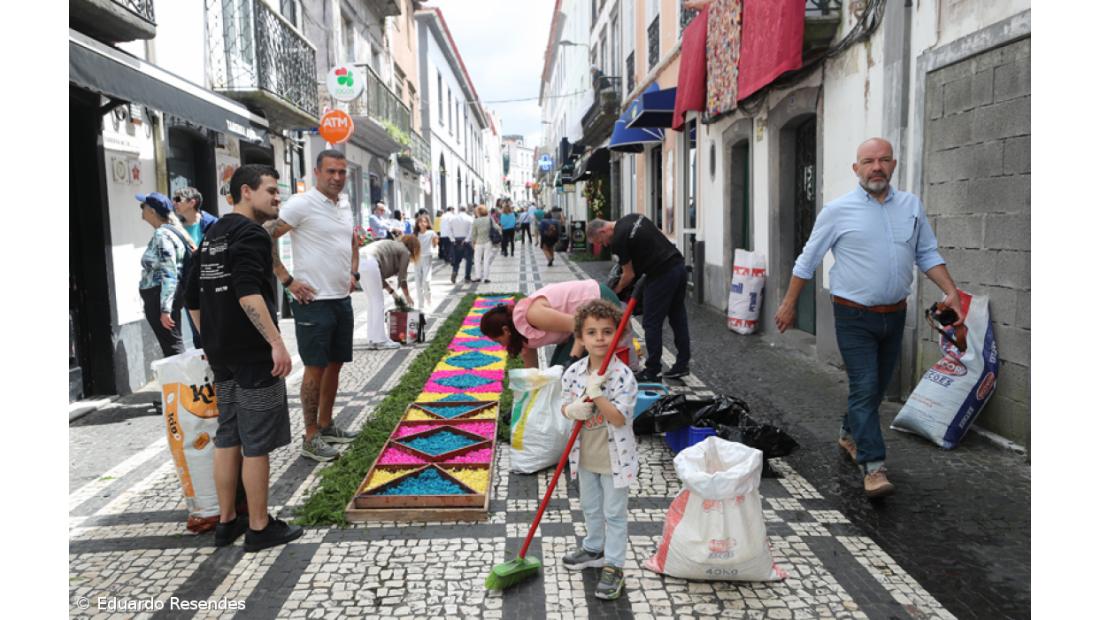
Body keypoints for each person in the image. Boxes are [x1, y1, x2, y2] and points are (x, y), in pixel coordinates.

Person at [774, 137, 963, 499]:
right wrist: (789, 303)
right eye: (868, 161)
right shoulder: (837, 210)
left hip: (895, 316)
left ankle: (849, 434)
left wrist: (950, 290)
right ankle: (874, 467)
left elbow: (926, 253)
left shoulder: (911, 206)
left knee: (874, 389)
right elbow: (808, 259)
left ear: (893, 165)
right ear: (856, 168)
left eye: (883, 160)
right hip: (853, 316)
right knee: (865, 386)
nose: (876, 167)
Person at [184, 163, 303, 552]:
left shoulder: (212, 233)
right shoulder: (251, 234)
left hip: (221, 354)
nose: (276, 197)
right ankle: (258, 525)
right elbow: (248, 291)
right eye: (270, 190)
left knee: (229, 434)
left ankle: (226, 522)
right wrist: (276, 342)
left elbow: (190, 297)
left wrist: (210, 337)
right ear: (246, 192)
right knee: (256, 443)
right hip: (253, 356)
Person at [270, 149, 360, 463]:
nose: (337, 178)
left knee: (335, 364)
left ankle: (326, 424)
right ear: (317, 172)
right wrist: (287, 280)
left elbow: (351, 238)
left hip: (340, 299)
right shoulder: (301, 204)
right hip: (313, 302)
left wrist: (353, 271)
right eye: (331, 172)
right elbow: (263, 237)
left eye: (342, 172)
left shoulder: (344, 204)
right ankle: (310, 437)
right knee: (315, 368)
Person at [559, 299, 638, 601]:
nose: (600, 338)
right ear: (580, 338)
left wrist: (597, 394)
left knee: (614, 513)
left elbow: (618, 418)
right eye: (592, 332)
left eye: (607, 331)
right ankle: (593, 547)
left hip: (615, 459)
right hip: (585, 456)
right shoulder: (573, 372)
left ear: (618, 334)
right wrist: (571, 410)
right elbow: (564, 406)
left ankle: (614, 565)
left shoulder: (623, 376)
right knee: (590, 507)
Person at [587, 214, 691, 383]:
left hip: (661, 274)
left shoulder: (618, 240)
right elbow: (657, 235)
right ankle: (682, 364)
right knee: (678, 317)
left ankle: (652, 371)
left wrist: (614, 291)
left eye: (601, 241)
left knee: (651, 323)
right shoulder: (634, 217)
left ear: (603, 230)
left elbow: (629, 275)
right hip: (678, 266)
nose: (604, 245)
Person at [480, 279, 622, 369]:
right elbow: (532, 374)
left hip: (598, 300)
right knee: (556, 372)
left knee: (564, 374)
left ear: (505, 330)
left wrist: (573, 360)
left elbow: (580, 327)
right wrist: (525, 401)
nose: (501, 346)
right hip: (579, 325)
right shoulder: (521, 338)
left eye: (498, 340)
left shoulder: (532, 315)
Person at [136, 192, 192, 357]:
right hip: (164, 296)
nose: (141, 210)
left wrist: (165, 309)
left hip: (160, 297)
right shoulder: (171, 231)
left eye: (143, 206)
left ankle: (181, 381)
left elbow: (169, 271)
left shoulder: (162, 235)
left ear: (152, 211)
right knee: (173, 345)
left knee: (173, 348)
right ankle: (179, 381)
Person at [172, 187, 218, 349]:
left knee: (215, 327)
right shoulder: (176, 227)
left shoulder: (212, 224)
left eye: (178, 199)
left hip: (210, 284)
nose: (174, 203)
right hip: (189, 284)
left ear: (192, 203)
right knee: (197, 334)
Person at [360, 236, 418, 349]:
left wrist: (393, 293)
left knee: (372, 302)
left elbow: (378, 276)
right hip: (370, 260)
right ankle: (381, 341)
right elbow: (402, 278)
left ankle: (373, 339)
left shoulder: (391, 246)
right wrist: (407, 297)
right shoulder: (405, 251)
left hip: (359, 260)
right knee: (377, 302)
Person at [413, 214, 438, 310]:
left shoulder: (431, 232)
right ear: (417, 223)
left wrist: (435, 242)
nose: (422, 224)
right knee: (418, 283)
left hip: (427, 258)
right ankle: (421, 305)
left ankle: (429, 298)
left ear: (427, 223)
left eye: (424, 221)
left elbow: (435, 243)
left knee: (426, 281)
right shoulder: (415, 234)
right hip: (417, 259)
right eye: (420, 222)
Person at [471, 205, 501, 283]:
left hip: (478, 243)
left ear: (478, 212)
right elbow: (497, 227)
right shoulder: (489, 219)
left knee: (477, 260)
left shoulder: (476, 221)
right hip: (488, 242)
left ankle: (478, 277)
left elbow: (473, 234)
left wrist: (473, 242)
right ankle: (486, 278)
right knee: (486, 260)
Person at [449, 205, 475, 283]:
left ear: (459, 209)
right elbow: (471, 231)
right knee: (469, 260)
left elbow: (449, 230)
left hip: (456, 240)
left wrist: (453, 240)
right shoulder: (470, 218)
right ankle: (467, 277)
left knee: (456, 259)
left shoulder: (453, 218)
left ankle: (455, 271)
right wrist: (467, 240)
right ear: (466, 209)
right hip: (466, 241)